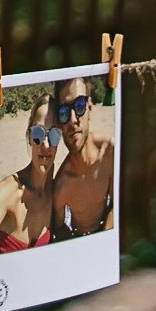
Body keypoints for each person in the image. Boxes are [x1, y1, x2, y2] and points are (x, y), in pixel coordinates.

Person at [48, 78, 114, 240]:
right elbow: (59, 229)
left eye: (79, 106)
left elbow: (118, 204)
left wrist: (104, 238)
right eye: (64, 112)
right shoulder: (61, 186)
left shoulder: (109, 151)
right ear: (59, 122)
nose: (72, 120)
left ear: (89, 107)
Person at [0, 99, 57, 252]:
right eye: (38, 134)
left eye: (54, 134)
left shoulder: (54, 191)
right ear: (29, 136)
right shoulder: (9, 192)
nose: (46, 145)